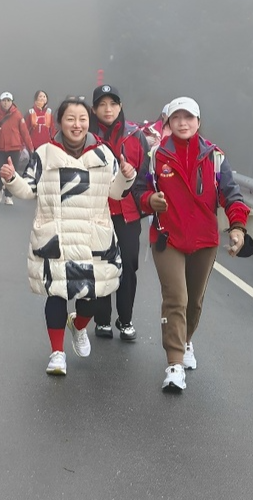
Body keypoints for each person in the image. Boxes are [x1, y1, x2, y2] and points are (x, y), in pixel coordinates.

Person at [1, 97, 136, 375]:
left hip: (92, 239)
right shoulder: (45, 153)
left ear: (90, 122)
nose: (77, 125)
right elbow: (28, 190)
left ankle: (78, 325)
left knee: (92, 299)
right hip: (56, 237)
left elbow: (116, 193)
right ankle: (57, 353)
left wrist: (126, 177)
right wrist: (12, 179)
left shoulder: (103, 154)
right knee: (56, 294)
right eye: (70, 119)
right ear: (60, 122)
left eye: (82, 119)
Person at [135, 96, 250, 393]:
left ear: (198, 122)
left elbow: (231, 194)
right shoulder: (156, 155)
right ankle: (174, 365)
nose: (183, 123)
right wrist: (151, 200)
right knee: (176, 298)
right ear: (169, 123)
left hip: (204, 239)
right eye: (177, 118)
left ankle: (186, 341)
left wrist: (237, 226)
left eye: (189, 118)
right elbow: (140, 191)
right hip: (167, 237)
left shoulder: (215, 157)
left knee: (194, 302)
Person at [89, 84, 149, 341]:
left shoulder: (136, 136)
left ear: (120, 106)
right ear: (94, 109)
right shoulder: (87, 137)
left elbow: (145, 176)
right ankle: (102, 320)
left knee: (128, 265)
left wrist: (143, 205)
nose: (108, 109)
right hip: (98, 212)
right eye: (102, 104)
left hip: (127, 214)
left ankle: (125, 320)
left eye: (112, 103)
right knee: (101, 265)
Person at [0, 92, 33, 206]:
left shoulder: (17, 115)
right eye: (4, 100)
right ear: (0, 101)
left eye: (8, 101)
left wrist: (30, 147)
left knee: (11, 173)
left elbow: (24, 132)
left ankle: (8, 196)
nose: (6, 103)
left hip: (14, 148)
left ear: (12, 102)